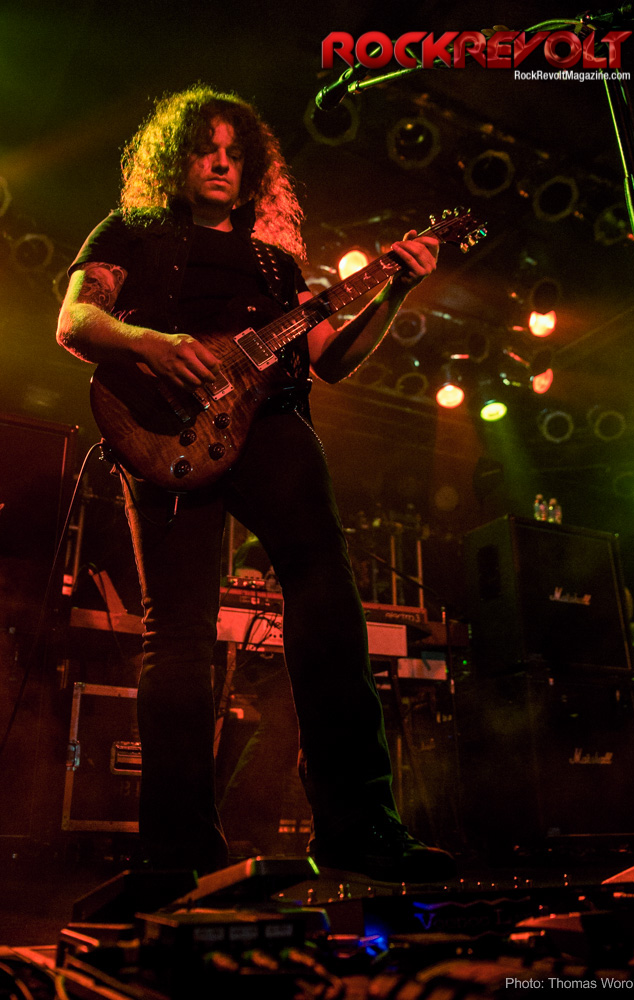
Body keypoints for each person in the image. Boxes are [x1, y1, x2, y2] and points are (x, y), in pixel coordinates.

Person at [56, 85, 454, 882]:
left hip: (273, 425)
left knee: (329, 603)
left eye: (236, 154)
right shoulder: (129, 232)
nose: (221, 164)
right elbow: (76, 322)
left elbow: (331, 358)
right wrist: (152, 343)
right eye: (206, 149)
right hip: (162, 430)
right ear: (175, 158)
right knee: (178, 635)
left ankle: (357, 826)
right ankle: (175, 855)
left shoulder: (277, 261)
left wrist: (396, 287)